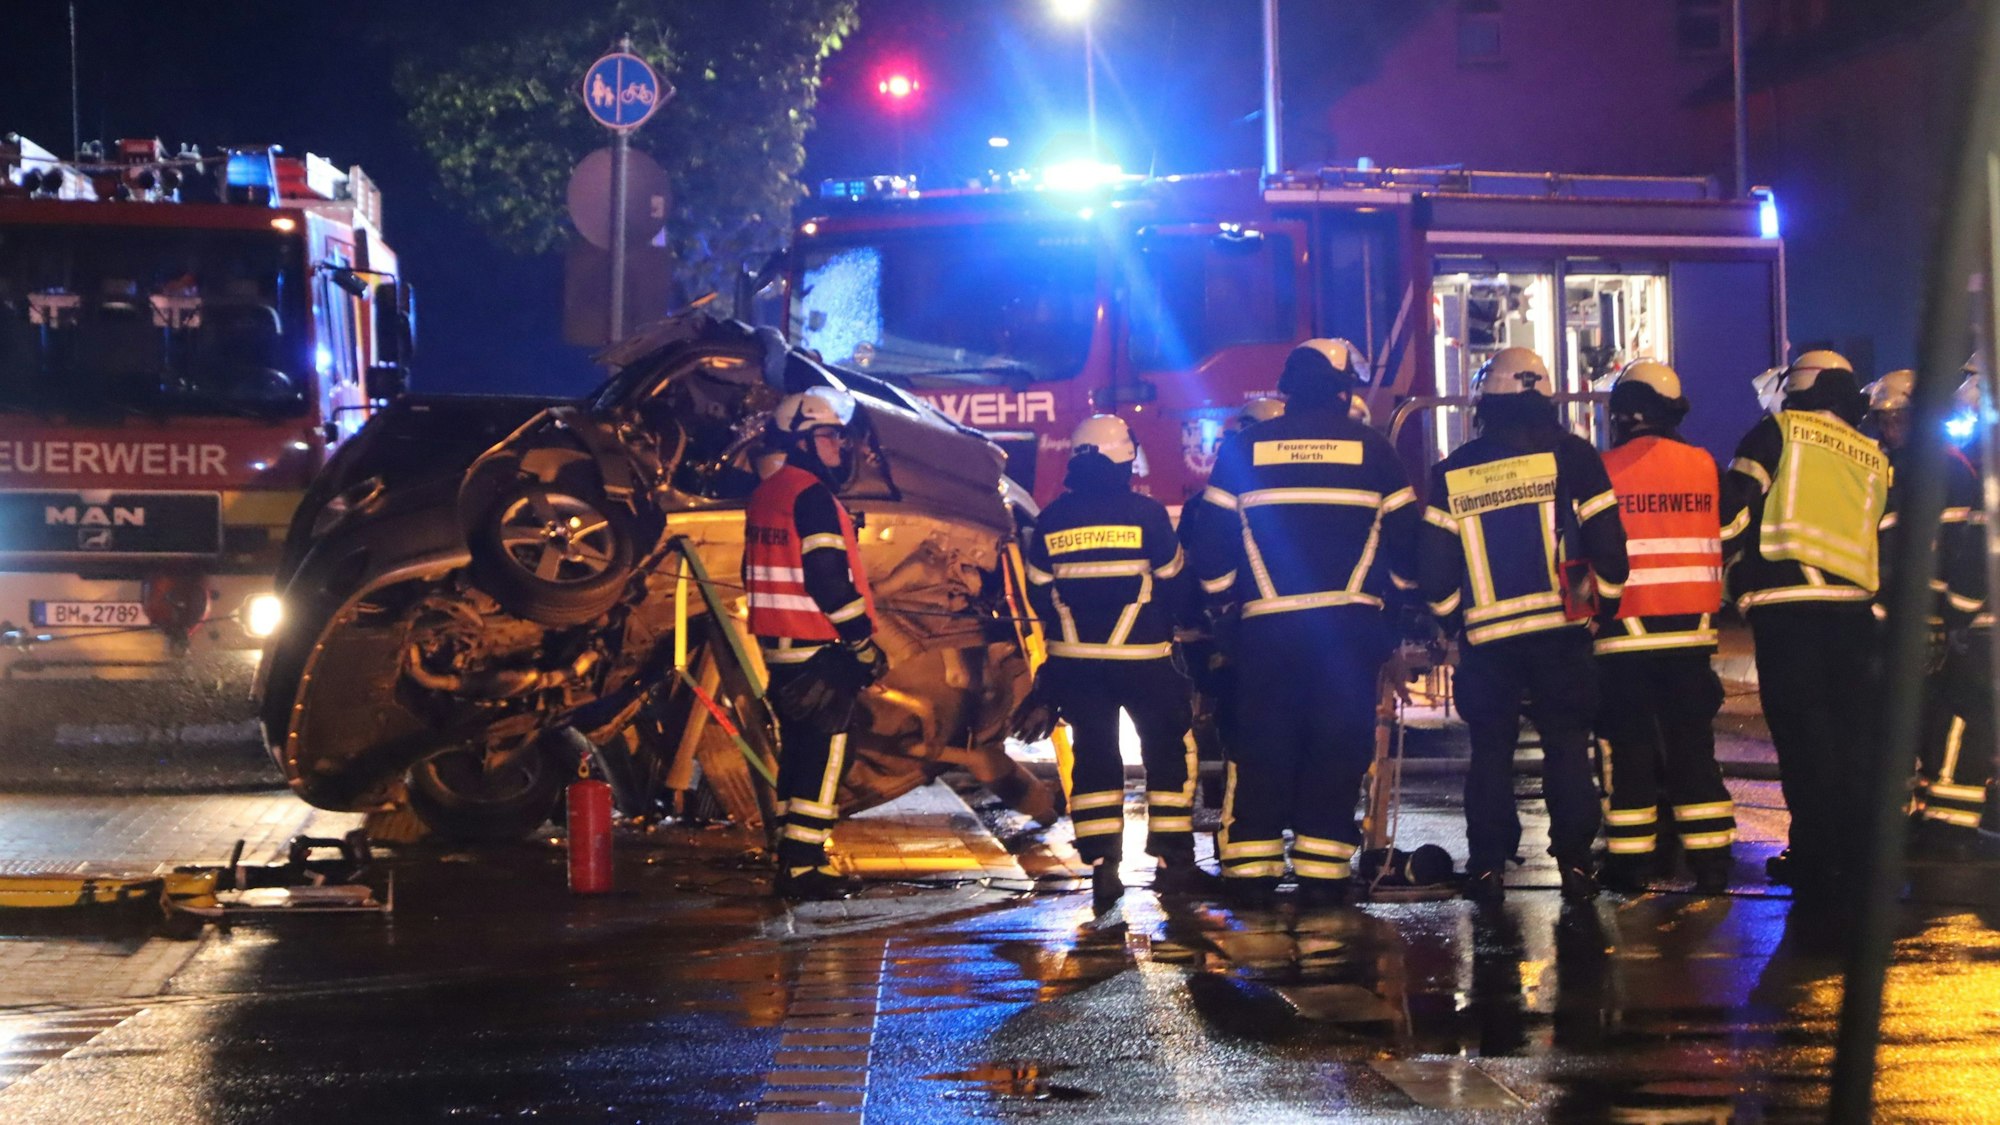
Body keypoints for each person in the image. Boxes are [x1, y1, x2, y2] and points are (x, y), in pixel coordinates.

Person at [1189, 338, 1420, 907]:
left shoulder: (1246, 448)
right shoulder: (1374, 450)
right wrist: (1398, 604)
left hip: (1266, 629)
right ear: (1343, 390)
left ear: (1287, 388)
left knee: (1263, 743)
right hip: (1348, 631)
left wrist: (1226, 606)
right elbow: (1409, 547)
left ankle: (1251, 870)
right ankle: (1322, 872)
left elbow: (1210, 547)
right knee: (1337, 747)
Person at [1418, 346, 1628, 902]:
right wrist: (1596, 611)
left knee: (1490, 750)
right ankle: (1577, 866)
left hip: (1488, 642)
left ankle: (1487, 868)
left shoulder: (1454, 470)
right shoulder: (1578, 457)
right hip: (1562, 634)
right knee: (1566, 744)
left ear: (1485, 401)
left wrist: (1449, 623)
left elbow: (1435, 570)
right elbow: (1610, 549)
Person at [1720, 350, 1890, 897]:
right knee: (1852, 738)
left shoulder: (1777, 431)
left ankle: (1814, 854)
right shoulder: (1873, 454)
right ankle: (1858, 854)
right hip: (1854, 615)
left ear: (1798, 388)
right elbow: (1887, 538)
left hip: (1787, 608)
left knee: (1803, 738)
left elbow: (1733, 514)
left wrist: (1729, 577)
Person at [1023, 415, 1199, 912]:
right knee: (1168, 749)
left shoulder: (1051, 519)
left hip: (1076, 665)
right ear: (1123, 457)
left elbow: (1038, 593)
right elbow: (1175, 580)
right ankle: (1173, 860)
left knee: (1094, 756)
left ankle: (1103, 865)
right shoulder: (1145, 514)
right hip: (1144, 659)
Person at [1591, 361, 1733, 894]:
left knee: (1629, 750)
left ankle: (1631, 863)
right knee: (1693, 746)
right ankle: (1713, 862)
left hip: (1624, 635)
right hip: (1692, 635)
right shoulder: (1703, 465)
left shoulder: (1603, 468)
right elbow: (1733, 529)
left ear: (1622, 414)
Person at [743, 386, 890, 902]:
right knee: (827, 755)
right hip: (817, 645)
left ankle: (791, 852)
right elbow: (828, 579)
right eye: (830, 436)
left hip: (780, 648)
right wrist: (861, 644)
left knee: (798, 754)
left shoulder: (768, 493)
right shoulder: (812, 497)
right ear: (805, 439)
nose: (840, 448)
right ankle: (804, 867)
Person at [1866, 369, 1993, 852]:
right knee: (1924, 716)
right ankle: (1927, 818)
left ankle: (1948, 824)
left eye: (1897, 419)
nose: (1888, 430)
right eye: (1883, 420)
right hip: (1921, 618)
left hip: (1957, 622)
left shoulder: (1948, 468)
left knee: (1959, 717)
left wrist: (1952, 617)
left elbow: (1964, 550)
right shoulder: (1899, 467)